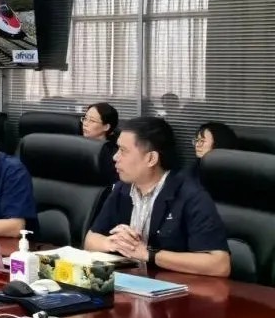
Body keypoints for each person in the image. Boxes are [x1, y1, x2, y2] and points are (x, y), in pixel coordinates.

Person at [84, 117, 230, 278]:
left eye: (123, 151)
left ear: (151, 159)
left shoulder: (190, 195)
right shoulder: (122, 188)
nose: (115, 157)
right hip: (132, 282)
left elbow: (219, 264)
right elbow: (90, 240)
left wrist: (149, 254)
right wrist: (111, 243)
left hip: (175, 286)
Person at [83, 102, 120, 184]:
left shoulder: (113, 156)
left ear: (106, 127)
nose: (85, 124)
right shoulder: (77, 146)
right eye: (85, 119)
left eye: (92, 121)